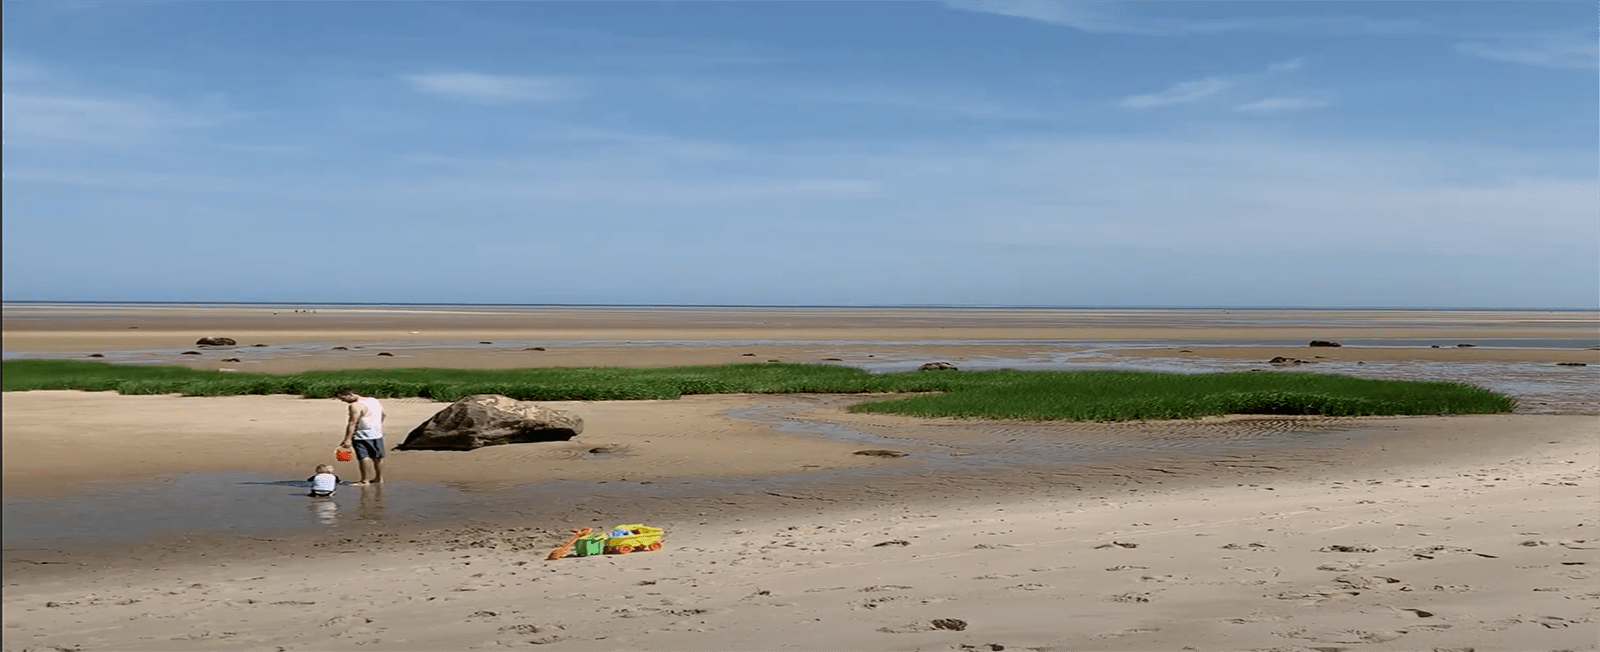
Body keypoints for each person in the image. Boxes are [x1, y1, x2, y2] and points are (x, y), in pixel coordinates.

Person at [334, 387, 387, 485]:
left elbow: (352, 423)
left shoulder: (355, 405)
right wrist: (377, 426)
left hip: (362, 434)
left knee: (364, 456)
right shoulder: (374, 400)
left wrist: (347, 439)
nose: (343, 401)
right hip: (377, 433)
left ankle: (364, 480)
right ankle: (379, 478)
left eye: (343, 398)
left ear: (349, 395)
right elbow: (383, 414)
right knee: (378, 456)